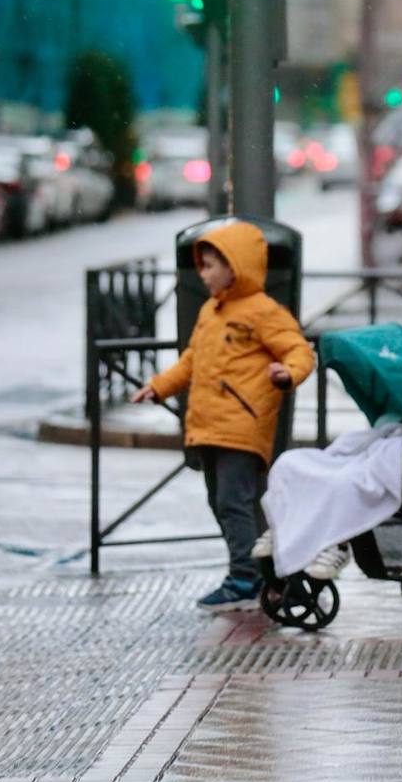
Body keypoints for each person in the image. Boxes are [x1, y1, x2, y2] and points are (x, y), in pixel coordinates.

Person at [131, 221, 316, 611]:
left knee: (234, 501)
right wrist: (159, 386)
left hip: (242, 425)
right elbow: (191, 361)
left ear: (236, 266)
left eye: (212, 265)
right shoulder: (210, 311)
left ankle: (244, 577)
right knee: (221, 501)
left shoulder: (263, 311)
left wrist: (287, 373)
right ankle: (262, 570)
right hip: (208, 425)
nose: (204, 273)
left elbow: (298, 350)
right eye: (202, 265)